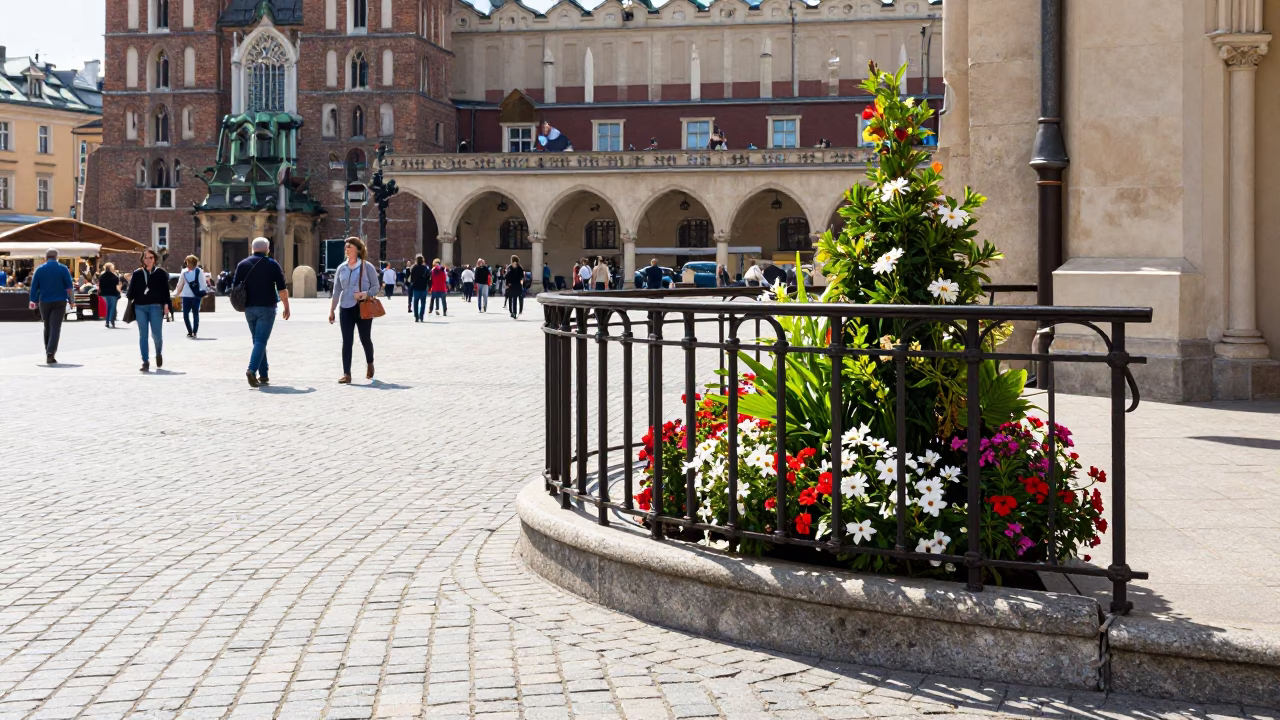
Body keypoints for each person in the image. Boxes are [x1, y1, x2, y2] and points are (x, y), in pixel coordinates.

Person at [231, 237, 291, 387]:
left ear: (252, 249)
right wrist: (286, 306)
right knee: (261, 340)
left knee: (257, 340)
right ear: (267, 249)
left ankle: (263, 374)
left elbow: (234, 287)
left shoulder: (242, 264)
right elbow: (282, 289)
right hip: (267, 307)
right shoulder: (272, 264)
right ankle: (251, 370)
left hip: (249, 308)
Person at [328, 237, 380, 384]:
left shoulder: (367, 266)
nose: (346, 249)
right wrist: (332, 310)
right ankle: (347, 373)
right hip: (345, 307)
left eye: (349, 246)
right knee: (346, 341)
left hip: (363, 306)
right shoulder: (341, 268)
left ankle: (370, 363)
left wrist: (365, 294)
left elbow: (376, 287)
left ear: (357, 249)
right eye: (346, 247)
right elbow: (337, 290)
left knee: (365, 339)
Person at [27, 248, 75, 365]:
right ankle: (51, 353)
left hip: (45, 301)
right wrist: (72, 300)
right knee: (55, 327)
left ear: (46, 257)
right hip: (59, 301)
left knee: (47, 326)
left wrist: (33, 300)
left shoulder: (39, 269)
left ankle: (47, 350)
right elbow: (69, 286)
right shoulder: (63, 269)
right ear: (57, 257)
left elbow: (34, 287)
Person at [127, 248, 172, 372]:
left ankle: (158, 353)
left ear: (155, 259)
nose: (148, 260)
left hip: (156, 306)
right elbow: (130, 292)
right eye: (145, 258)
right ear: (142, 259)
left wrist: (166, 304)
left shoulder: (160, 273)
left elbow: (165, 291)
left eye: (150, 257)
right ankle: (145, 361)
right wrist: (132, 298)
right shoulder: (137, 273)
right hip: (140, 307)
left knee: (156, 334)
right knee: (143, 335)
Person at [178, 255, 209, 339]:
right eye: (187, 262)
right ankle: (190, 331)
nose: (187, 264)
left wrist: (203, 292)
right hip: (187, 295)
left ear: (193, 263)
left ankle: (194, 332)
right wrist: (177, 293)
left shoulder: (199, 271)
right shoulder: (184, 272)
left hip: (195, 296)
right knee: (186, 314)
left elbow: (202, 284)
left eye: (188, 262)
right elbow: (180, 284)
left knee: (194, 314)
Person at [98, 263, 121, 328]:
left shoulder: (102, 276)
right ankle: (112, 321)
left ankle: (107, 321)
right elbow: (117, 285)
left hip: (105, 293)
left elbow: (100, 285)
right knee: (112, 308)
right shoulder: (114, 276)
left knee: (107, 307)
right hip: (113, 293)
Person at [409, 254, 430, 322]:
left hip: (416, 287)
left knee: (415, 302)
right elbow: (428, 277)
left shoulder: (413, 268)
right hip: (423, 287)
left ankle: (416, 317)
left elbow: (411, 279)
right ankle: (421, 316)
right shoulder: (425, 268)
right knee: (423, 303)